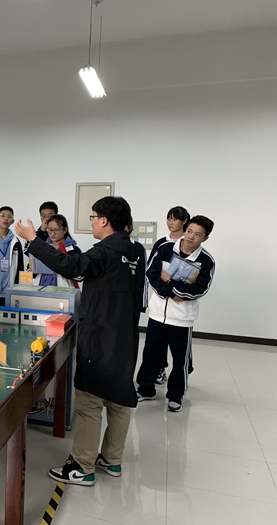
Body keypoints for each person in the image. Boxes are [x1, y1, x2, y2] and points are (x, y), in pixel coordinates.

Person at [15, 196, 140, 486]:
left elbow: (70, 266)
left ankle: (82, 467)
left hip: (100, 335)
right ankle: (112, 459)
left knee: (89, 402)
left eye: (94, 217)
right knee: (119, 400)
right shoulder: (134, 251)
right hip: (126, 334)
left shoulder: (103, 252)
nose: (92, 222)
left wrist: (33, 239)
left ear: (104, 221)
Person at [136, 215, 215, 413]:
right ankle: (146, 389)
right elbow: (152, 273)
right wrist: (170, 292)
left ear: (205, 238)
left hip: (182, 318)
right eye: (189, 231)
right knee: (151, 355)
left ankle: (175, 396)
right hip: (157, 314)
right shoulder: (165, 248)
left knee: (180, 361)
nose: (191, 237)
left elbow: (199, 289)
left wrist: (170, 283)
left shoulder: (206, 261)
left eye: (198, 235)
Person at [148, 205, 190, 385]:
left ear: (185, 221)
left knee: (180, 350)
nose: (170, 222)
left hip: (181, 308)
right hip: (160, 304)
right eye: (169, 218)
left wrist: (175, 290)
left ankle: (179, 384)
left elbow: (191, 278)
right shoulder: (161, 244)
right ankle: (158, 372)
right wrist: (167, 292)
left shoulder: (189, 244)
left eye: (175, 219)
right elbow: (152, 272)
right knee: (155, 346)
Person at [31, 213, 82, 287]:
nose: (52, 233)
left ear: (65, 230)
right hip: (40, 287)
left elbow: (79, 276)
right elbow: (32, 271)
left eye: (56, 230)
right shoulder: (42, 248)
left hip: (63, 289)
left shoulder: (73, 250)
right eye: (49, 230)